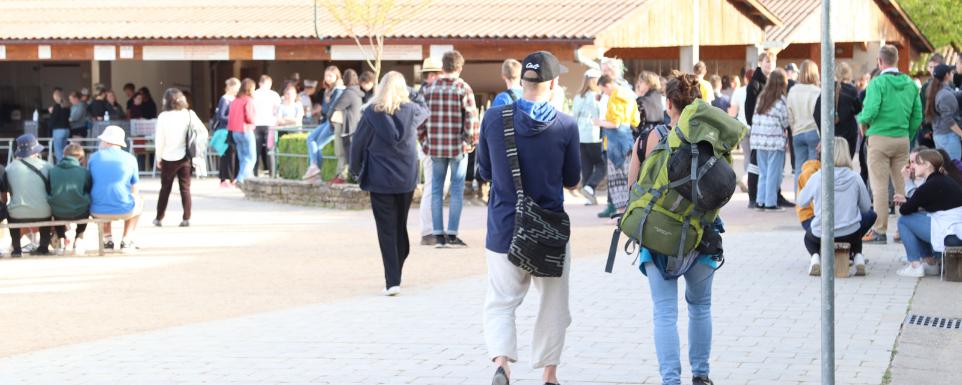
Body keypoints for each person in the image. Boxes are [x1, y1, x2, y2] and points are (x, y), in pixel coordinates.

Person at [476, 50, 580, 385]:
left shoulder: (493, 119)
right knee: (553, 305)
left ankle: (503, 365)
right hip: (549, 231)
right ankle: (549, 374)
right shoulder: (565, 125)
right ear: (552, 84)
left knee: (501, 302)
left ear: (522, 82)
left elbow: (484, 171)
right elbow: (573, 179)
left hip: (505, 227)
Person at [635, 73, 720, 385]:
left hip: (658, 237)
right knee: (700, 306)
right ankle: (701, 375)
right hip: (702, 235)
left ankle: (671, 380)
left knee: (664, 312)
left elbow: (633, 189)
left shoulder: (649, 139)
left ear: (667, 103)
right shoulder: (710, 137)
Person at [350, 71, 429, 296]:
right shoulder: (413, 111)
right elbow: (424, 106)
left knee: (386, 230)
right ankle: (396, 272)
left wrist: (355, 170)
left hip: (379, 178)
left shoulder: (371, 114)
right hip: (406, 178)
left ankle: (392, 279)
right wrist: (409, 90)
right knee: (399, 226)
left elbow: (357, 144)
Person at [857, 45, 923, 244]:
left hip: (879, 139)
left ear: (880, 61)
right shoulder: (911, 84)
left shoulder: (877, 84)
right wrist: (908, 135)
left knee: (879, 187)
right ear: (897, 60)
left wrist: (862, 121)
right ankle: (904, 230)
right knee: (903, 184)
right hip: (902, 138)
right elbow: (917, 116)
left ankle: (879, 230)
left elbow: (869, 112)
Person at [418, 50, 479, 248]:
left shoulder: (429, 88)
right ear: (460, 68)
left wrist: (424, 141)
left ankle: (438, 235)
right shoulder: (463, 87)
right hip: (457, 147)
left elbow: (420, 119)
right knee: (456, 188)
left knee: (436, 190)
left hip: (435, 147)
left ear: (442, 67)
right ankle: (452, 234)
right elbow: (471, 118)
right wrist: (471, 142)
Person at [798, 137, 875, 276]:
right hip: (850, 233)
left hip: (822, 232)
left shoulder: (817, 177)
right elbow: (866, 207)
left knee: (808, 239)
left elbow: (802, 201)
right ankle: (858, 256)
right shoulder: (855, 177)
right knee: (863, 223)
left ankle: (815, 257)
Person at [894, 149, 962, 277]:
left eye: (917, 163)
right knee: (920, 217)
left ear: (928, 165)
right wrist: (908, 200)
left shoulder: (929, 185)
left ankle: (916, 265)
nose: (913, 166)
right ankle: (931, 263)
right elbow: (931, 203)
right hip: (955, 226)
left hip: (948, 229)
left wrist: (908, 200)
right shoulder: (943, 179)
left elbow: (905, 210)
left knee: (904, 221)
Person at [153, 88, 207, 228]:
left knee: (165, 188)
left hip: (167, 157)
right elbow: (203, 132)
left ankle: (159, 217)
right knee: (185, 188)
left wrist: (158, 157)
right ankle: (186, 218)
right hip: (185, 157)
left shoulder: (163, 116)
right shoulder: (189, 114)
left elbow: (160, 140)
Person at [746, 51, 793, 209]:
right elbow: (785, 121)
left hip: (759, 140)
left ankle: (760, 200)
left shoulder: (762, 97)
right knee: (774, 173)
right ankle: (771, 202)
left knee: (763, 172)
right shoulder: (780, 100)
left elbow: (752, 115)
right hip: (774, 141)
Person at [89, 125, 142, 252]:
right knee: (139, 200)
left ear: (107, 141)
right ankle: (126, 240)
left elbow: (89, 181)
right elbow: (135, 186)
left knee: (102, 193)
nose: (101, 142)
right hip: (125, 210)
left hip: (97, 210)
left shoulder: (94, 157)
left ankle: (107, 240)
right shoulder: (130, 158)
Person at [596, 74, 640, 218]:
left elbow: (615, 123)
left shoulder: (616, 96)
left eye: (604, 90)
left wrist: (598, 122)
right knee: (629, 175)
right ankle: (629, 210)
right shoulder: (628, 93)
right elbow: (635, 120)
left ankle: (622, 212)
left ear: (607, 85)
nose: (604, 93)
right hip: (627, 136)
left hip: (617, 138)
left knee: (617, 177)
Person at [2, 134, 53, 257]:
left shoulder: (9, 168)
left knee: (10, 212)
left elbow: (7, 192)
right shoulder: (46, 166)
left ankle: (16, 249)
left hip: (17, 213)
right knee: (46, 209)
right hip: (43, 212)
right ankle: (44, 247)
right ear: (35, 150)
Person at [814, 62, 864, 175]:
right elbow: (858, 109)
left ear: (836, 73)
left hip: (830, 135)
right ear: (849, 74)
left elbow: (816, 113)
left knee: (828, 168)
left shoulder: (827, 89)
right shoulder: (852, 90)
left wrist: (823, 133)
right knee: (846, 167)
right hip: (848, 137)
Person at [416, 56, 445, 246]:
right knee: (433, 189)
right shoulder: (427, 94)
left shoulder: (422, 93)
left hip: (429, 146)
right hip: (431, 147)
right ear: (433, 75)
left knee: (435, 189)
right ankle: (428, 230)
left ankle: (432, 229)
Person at [302, 66, 344, 180]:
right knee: (311, 139)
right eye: (326, 75)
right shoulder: (328, 90)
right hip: (326, 121)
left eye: (331, 76)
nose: (328, 78)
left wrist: (327, 100)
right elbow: (325, 109)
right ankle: (315, 168)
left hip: (332, 123)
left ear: (337, 76)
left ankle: (314, 169)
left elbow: (331, 109)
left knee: (317, 145)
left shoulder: (339, 90)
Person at [49, 144, 91, 256]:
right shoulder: (83, 172)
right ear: (81, 158)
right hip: (80, 212)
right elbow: (88, 188)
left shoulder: (53, 171)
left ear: (64, 156)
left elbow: (49, 190)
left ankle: (61, 238)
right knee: (86, 205)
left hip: (58, 212)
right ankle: (78, 237)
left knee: (56, 206)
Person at [572, 69, 603, 205]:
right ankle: (590, 187)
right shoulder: (597, 96)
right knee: (602, 164)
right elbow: (599, 114)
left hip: (580, 134)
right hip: (594, 134)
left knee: (587, 165)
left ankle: (589, 196)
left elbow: (574, 116)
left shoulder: (578, 96)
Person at [787, 59, 821, 182]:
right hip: (813, 132)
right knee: (813, 170)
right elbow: (819, 115)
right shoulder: (817, 91)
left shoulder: (792, 91)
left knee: (799, 169)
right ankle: (812, 200)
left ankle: (799, 199)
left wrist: (793, 128)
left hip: (797, 133)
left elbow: (789, 113)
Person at [330, 69, 365, 184]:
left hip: (347, 128)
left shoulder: (348, 92)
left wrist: (330, 119)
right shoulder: (357, 92)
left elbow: (336, 107)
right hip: (355, 127)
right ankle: (348, 177)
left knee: (343, 154)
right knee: (351, 155)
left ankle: (343, 176)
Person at [925, 64, 962, 160]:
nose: (953, 74)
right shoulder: (945, 95)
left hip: (940, 135)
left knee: (945, 167)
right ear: (947, 75)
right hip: (948, 137)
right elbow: (948, 120)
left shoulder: (935, 90)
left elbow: (955, 94)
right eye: (952, 73)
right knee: (954, 168)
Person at [228, 78, 258, 184]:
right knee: (251, 157)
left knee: (242, 158)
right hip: (246, 130)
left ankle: (245, 178)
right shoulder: (248, 100)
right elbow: (249, 117)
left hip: (235, 131)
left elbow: (230, 116)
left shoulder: (235, 100)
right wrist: (255, 120)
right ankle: (241, 178)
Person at [251, 75, 280, 177]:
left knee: (256, 150)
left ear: (259, 83)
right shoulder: (274, 95)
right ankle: (272, 174)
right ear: (270, 84)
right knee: (270, 150)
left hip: (256, 125)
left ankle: (254, 174)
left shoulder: (254, 94)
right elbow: (277, 111)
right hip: (270, 125)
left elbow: (251, 110)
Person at [214, 78, 240, 187]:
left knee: (234, 154)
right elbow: (221, 116)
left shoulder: (235, 99)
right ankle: (224, 178)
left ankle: (233, 176)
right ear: (232, 87)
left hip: (233, 130)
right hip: (225, 130)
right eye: (237, 87)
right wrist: (233, 118)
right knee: (226, 154)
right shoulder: (224, 99)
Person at [918, 53, 945, 149]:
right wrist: (924, 129)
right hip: (928, 130)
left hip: (944, 130)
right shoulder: (925, 87)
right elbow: (920, 108)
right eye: (930, 67)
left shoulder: (948, 86)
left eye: (936, 67)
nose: (933, 70)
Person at [48, 88, 71, 163]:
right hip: (66, 129)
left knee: (58, 152)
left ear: (56, 97)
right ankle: (66, 166)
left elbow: (54, 119)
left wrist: (51, 113)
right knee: (64, 151)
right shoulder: (67, 106)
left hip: (58, 130)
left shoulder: (56, 107)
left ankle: (60, 167)